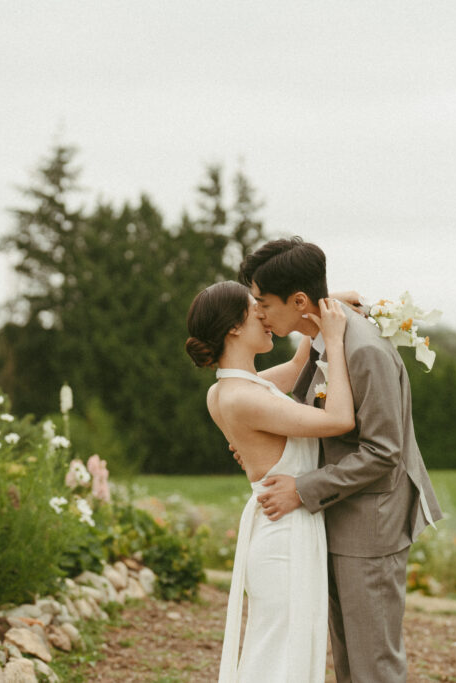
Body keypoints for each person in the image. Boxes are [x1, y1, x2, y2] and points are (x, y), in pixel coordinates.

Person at [240, 237, 443, 683]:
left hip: (372, 526)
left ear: (297, 301)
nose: (257, 313)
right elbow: (299, 403)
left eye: (262, 303)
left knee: (375, 665)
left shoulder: (363, 349)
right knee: (349, 661)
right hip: (340, 517)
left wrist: (302, 489)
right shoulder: (325, 338)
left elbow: (383, 452)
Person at [185, 280, 355, 683]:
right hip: (285, 538)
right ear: (233, 328)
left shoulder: (235, 388)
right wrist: (334, 342)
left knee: (284, 651)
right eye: (254, 308)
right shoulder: (240, 397)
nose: (265, 315)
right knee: (279, 658)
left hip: (287, 528)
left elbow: (298, 369)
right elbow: (339, 420)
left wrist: (324, 307)